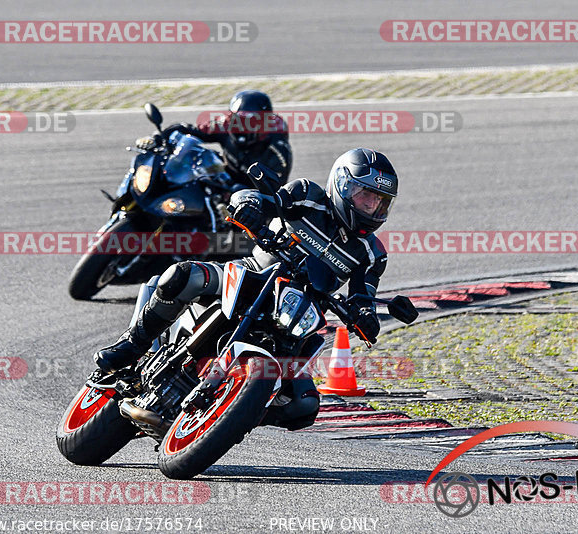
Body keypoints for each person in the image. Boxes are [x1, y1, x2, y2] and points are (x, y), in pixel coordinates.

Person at [94, 147, 398, 428]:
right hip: (254, 274)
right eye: (366, 197)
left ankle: (233, 413)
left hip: (300, 310)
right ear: (343, 185)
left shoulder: (372, 253)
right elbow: (262, 199)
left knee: (303, 407)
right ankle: (132, 344)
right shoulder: (308, 195)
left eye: (381, 202)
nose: (373, 208)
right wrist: (248, 205)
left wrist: (365, 317)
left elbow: (363, 296)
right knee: (182, 275)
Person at [135, 90, 292, 188]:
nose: (241, 125)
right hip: (225, 178)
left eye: (249, 121)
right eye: (237, 119)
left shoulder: (276, 144)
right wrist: (158, 137)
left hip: (254, 194)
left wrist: (244, 194)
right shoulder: (225, 125)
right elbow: (191, 130)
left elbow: (275, 188)